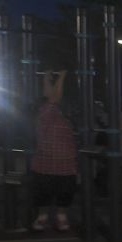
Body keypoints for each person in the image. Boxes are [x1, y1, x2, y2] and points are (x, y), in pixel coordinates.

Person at [30, 72, 78, 232]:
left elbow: (52, 98)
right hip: (52, 162)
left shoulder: (54, 115)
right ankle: (51, 217)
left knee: (59, 192)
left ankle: (51, 217)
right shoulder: (45, 114)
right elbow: (54, 97)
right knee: (48, 192)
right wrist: (61, 77)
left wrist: (48, 79)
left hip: (57, 163)